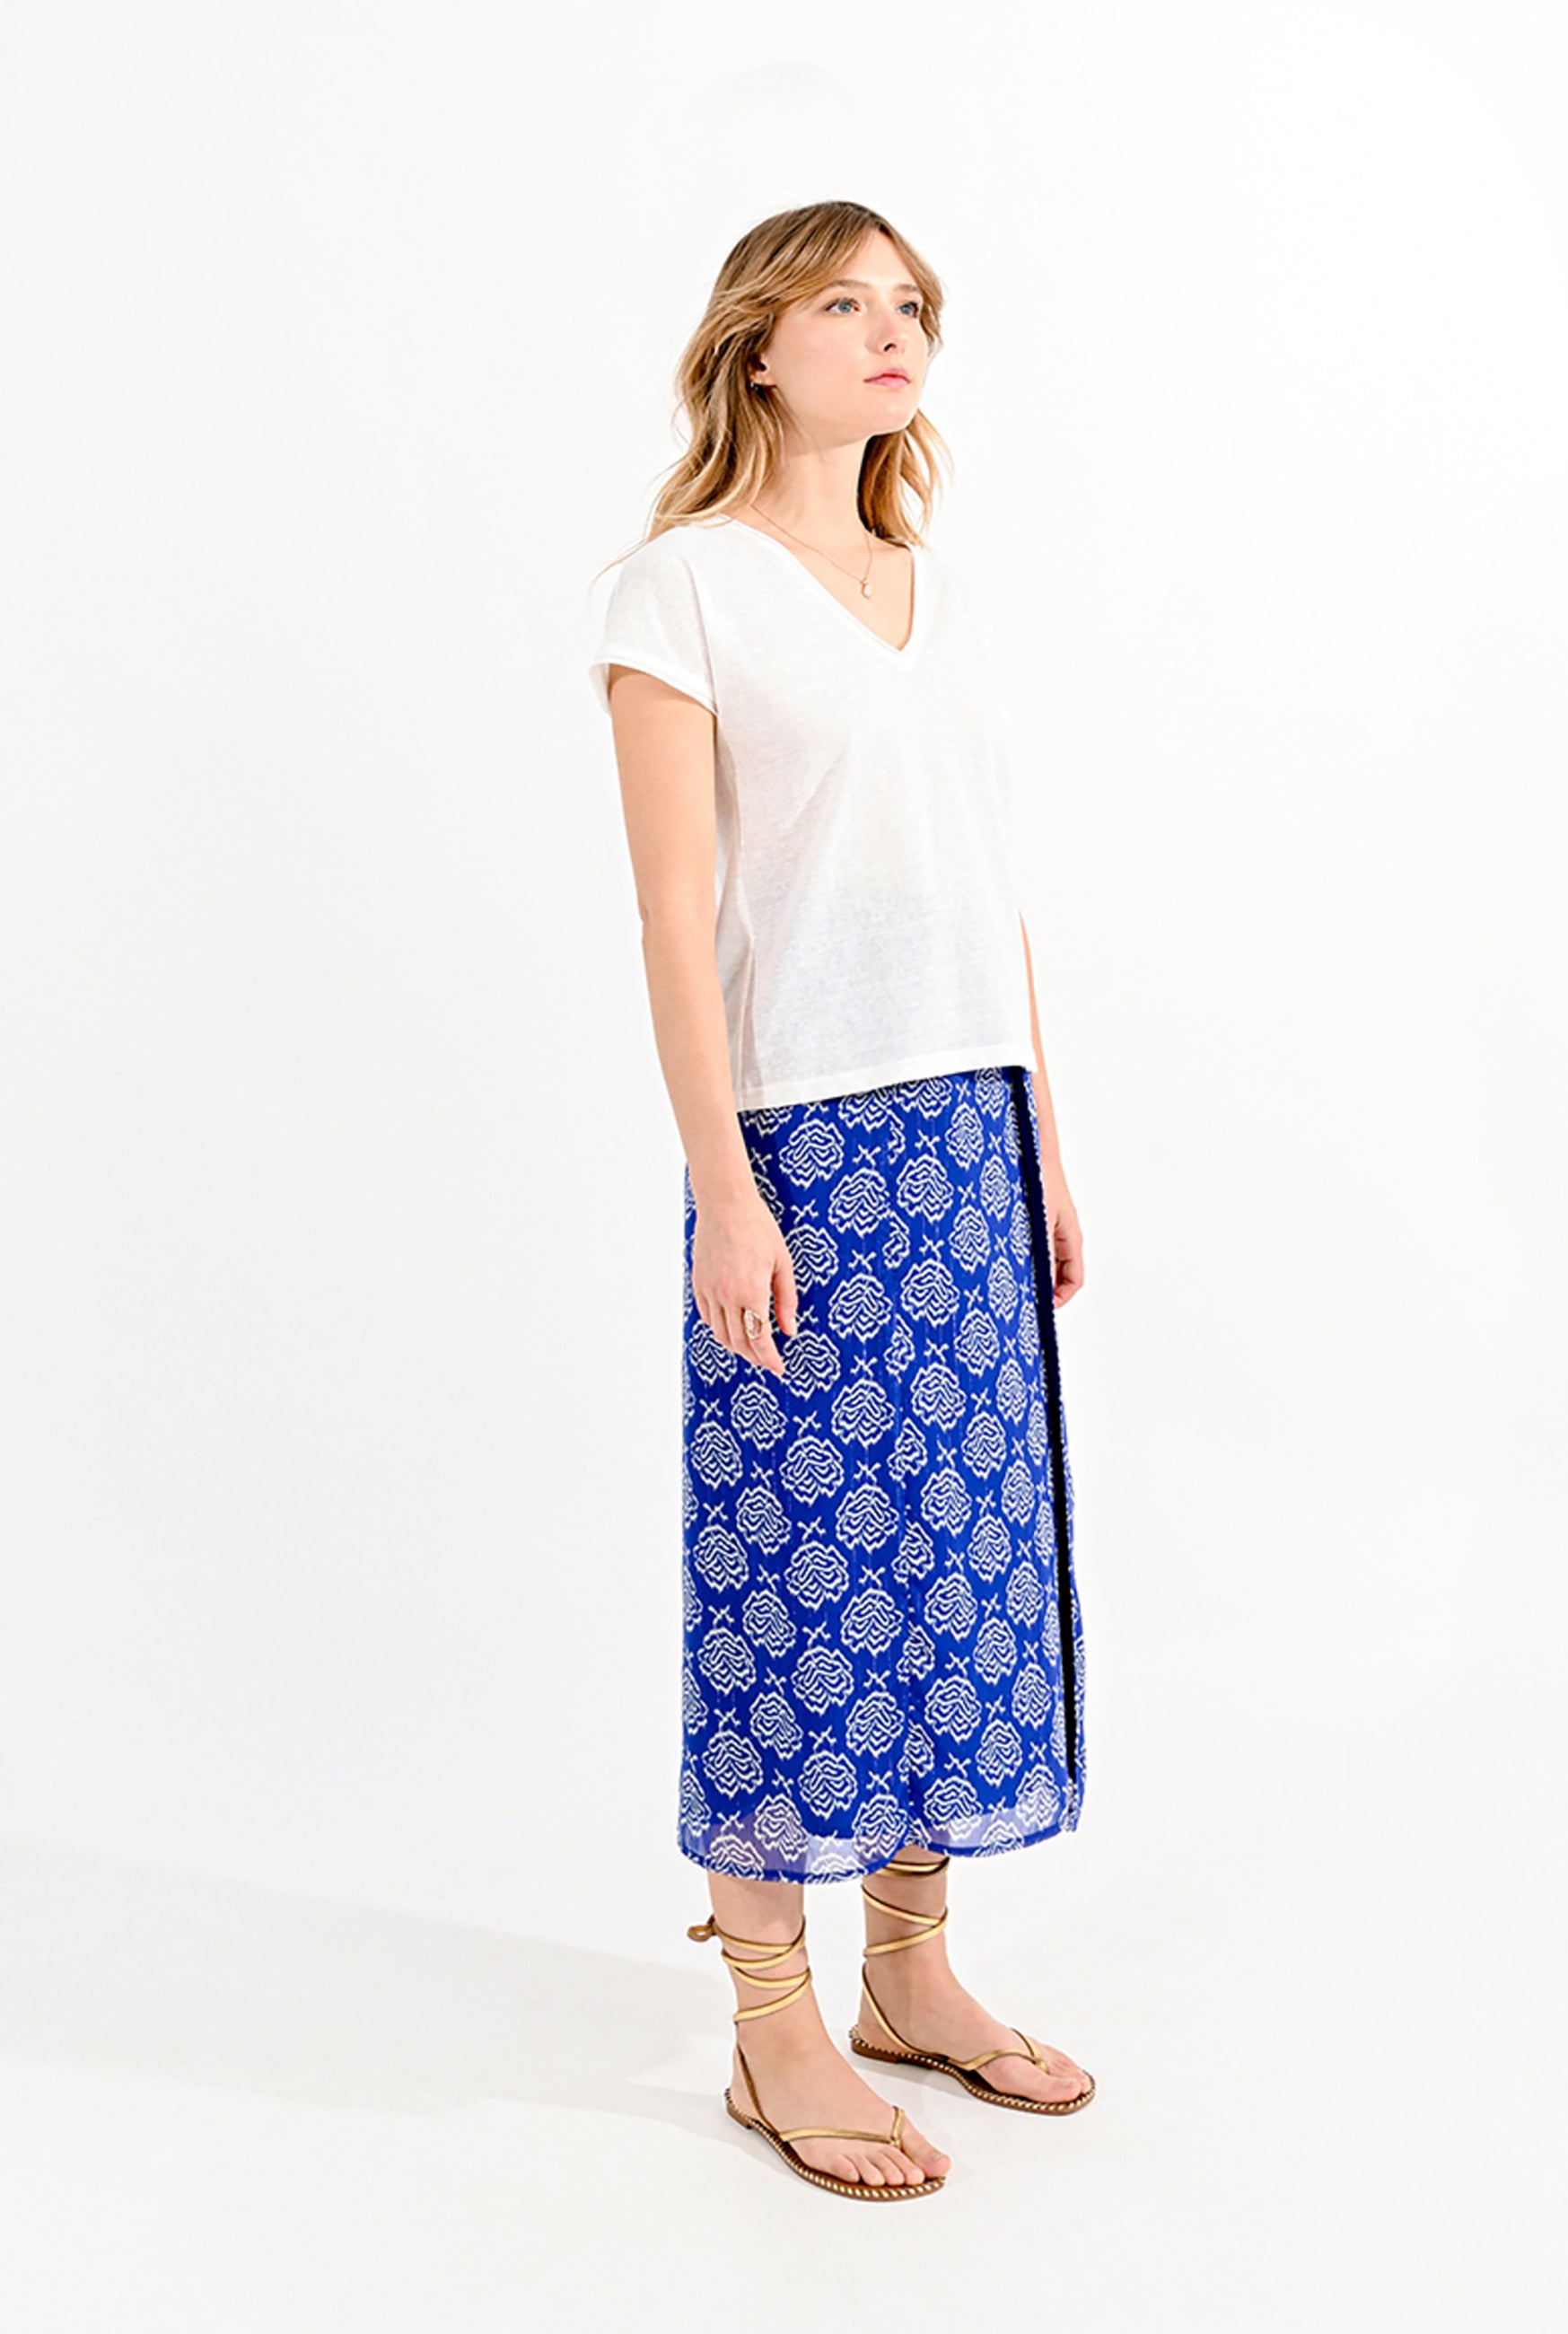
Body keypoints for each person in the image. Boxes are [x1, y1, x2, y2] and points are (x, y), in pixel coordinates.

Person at [588, 199, 1094, 2203]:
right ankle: (771, 2019)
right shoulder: (681, 590)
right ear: (756, 345)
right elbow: (673, 914)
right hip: (800, 1140)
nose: (892, 333)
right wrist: (723, 1189)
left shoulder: (939, 592)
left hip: (969, 1130)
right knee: (796, 1571)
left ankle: (911, 1972)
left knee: (961, 1561)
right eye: (844, 303)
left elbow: (984, 885)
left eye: (912, 307)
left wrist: (1044, 1136)